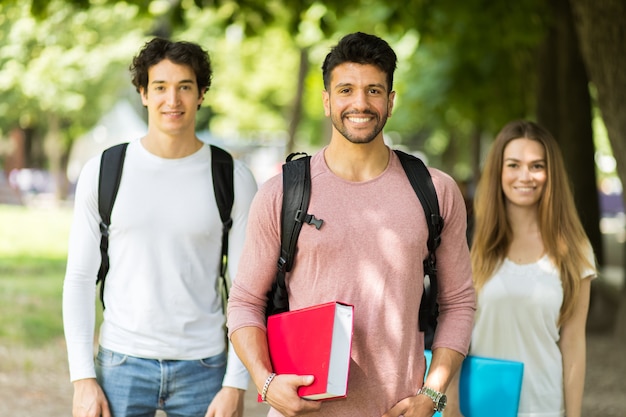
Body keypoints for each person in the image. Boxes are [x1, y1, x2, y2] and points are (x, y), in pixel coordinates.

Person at [226, 32, 476, 417]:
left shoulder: (435, 190)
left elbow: (458, 302)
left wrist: (433, 394)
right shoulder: (282, 193)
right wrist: (266, 383)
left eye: (374, 90)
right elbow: (244, 302)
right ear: (327, 101)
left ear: (391, 101)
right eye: (346, 90)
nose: (360, 103)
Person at [62, 38, 258, 417]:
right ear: (143, 93)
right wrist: (82, 378)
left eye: (185, 87)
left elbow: (245, 290)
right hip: (121, 364)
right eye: (160, 87)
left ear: (201, 94)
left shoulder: (233, 177)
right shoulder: (103, 171)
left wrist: (236, 383)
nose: (173, 100)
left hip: (205, 368)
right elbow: (80, 279)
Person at [444, 120, 597, 417]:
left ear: (550, 173)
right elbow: (452, 327)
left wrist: (574, 415)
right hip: (479, 404)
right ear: (498, 171)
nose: (525, 176)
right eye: (513, 165)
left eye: (536, 165)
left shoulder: (575, 248)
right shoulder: (469, 244)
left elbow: (574, 342)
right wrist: (450, 401)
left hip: (544, 405)